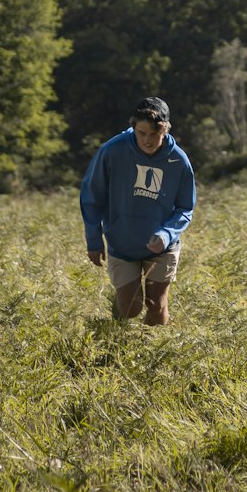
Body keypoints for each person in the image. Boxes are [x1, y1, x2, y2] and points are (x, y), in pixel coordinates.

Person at [79, 96, 196, 325]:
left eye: (154, 134)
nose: (148, 140)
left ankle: (151, 355)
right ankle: (120, 309)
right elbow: (92, 197)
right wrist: (94, 239)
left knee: (156, 307)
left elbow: (185, 208)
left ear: (166, 130)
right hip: (122, 244)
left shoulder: (178, 160)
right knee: (131, 308)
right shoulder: (112, 151)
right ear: (133, 127)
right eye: (141, 133)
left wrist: (166, 234)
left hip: (162, 246)